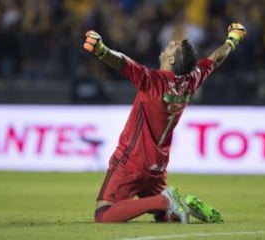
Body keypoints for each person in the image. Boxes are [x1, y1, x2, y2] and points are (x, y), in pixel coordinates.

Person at [83, 22, 246, 223]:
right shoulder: (190, 81)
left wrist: (102, 50)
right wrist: (233, 40)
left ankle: (163, 201)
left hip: (131, 160)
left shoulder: (152, 80)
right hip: (157, 167)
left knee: (103, 214)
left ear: (170, 59)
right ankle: (184, 206)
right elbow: (216, 58)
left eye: (172, 47)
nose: (169, 43)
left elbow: (123, 62)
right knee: (167, 217)